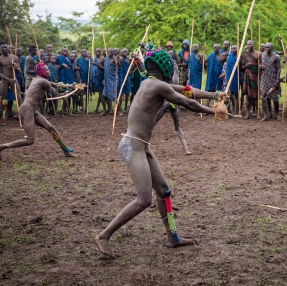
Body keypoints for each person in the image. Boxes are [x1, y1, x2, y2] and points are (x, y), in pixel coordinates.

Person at [93, 50, 226, 258]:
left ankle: (173, 238)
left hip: (140, 146)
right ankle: (104, 235)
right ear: (167, 69)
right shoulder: (158, 85)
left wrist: (213, 95)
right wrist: (215, 111)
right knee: (144, 199)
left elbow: (187, 90)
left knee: (164, 191)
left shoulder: (151, 83)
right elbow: (188, 103)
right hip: (132, 146)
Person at [0, 63, 76, 160]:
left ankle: (65, 151)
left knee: (51, 128)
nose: (49, 71)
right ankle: (0, 147)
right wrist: (70, 92)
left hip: (30, 109)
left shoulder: (37, 79)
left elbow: (54, 84)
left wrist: (70, 86)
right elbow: (57, 94)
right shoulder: (43, 81)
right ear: (42, 72)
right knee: (29, 140)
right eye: (46, 70)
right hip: (27, 110)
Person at [0, 43, 22, 126]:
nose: (4, 48)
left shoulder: (14, 58)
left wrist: (15, 67)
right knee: (3, 99)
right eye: (2, 47)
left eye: (6, 47)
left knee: (18, 97)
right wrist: (7, 79)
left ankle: (21, 115)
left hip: (13, 79)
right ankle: (3, 117)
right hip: (4, 80)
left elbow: (20, 70)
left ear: (8, 48)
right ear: (0, 49)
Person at [259, 43, 281, 121]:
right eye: (265, 47)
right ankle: (266, 114)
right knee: (264, 97)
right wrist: (260, 67)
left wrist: (277, 80)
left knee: (275, 97)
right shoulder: (262, 55)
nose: (266, 49)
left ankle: (277, 113)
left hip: (273, 78)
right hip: (264, 78)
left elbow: (279, 69)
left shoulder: (276, 57)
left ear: (271, 48)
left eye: (268, 47)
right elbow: (260, 64)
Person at [241, 40, 260, 119]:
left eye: (250, 44)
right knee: (248, 96)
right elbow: (241, 67)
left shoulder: (258, 54)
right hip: (247, 76)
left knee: (256, 96)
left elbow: (260, 67)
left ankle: (258, 113)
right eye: (247, 44)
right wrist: (246, 66)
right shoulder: (244, 54)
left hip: (255, 76)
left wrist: (260, 78)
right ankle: (247, 113)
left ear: (253, 45)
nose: (248, 46)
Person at [222, 45, 240, 113]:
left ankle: (236, 109)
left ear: (237, 49)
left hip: (236, 78)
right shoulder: (229, 57)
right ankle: (228, 110)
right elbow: (226, 69)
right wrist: (226, 79)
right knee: (228, 95)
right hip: (229, 78)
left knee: (236, 95)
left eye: (234, 48)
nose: (233, 49)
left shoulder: (239, 57)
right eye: (232, 48)